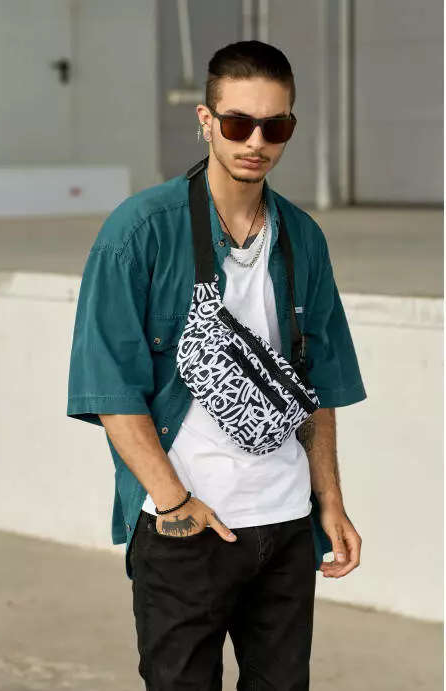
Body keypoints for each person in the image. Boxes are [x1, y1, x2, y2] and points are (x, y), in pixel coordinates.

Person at [68, 40, 366, 691]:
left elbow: (317, 386)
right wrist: (174, 503)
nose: (256, 141)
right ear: (206, 121)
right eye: (238, 123)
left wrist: (330, 501)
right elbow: (110, 387)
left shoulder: (303, 238)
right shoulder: (141, 231)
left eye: (274, 126)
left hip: (285, 525)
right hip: (187, 528)